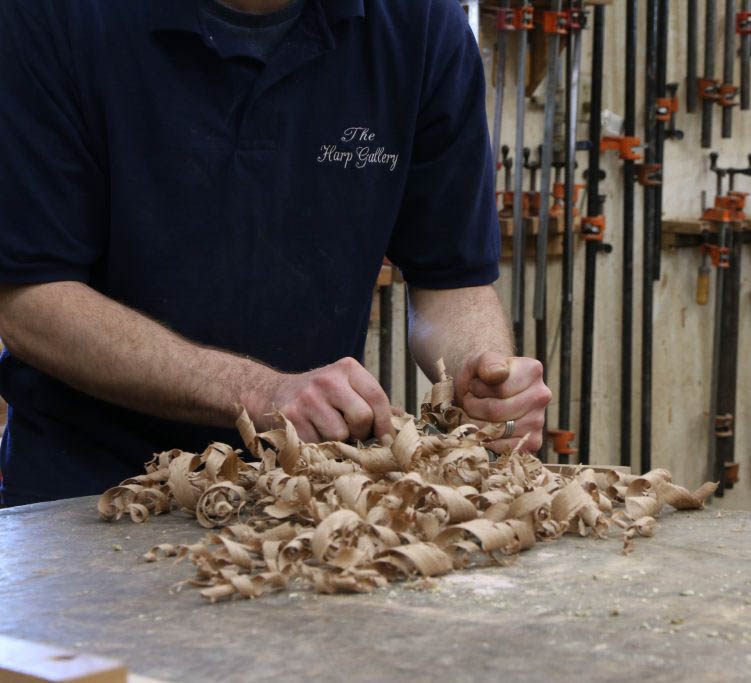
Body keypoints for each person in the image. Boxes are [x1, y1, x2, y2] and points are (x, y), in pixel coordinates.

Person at [0, 0, 551, 506]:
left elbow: (451, 284)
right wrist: (259, 392)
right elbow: (29, 300)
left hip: (305, 496)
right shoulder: (51, 16)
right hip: (90, 497)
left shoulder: (422, 25)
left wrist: (485, 380)